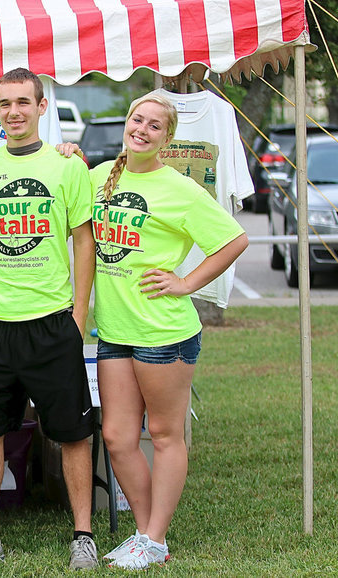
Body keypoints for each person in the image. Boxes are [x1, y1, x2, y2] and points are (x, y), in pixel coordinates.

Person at [89, 94, 248, 569]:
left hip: (165, 332)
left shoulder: (180, 188)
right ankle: (144, 534)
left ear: (167, 137)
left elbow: (233, 239)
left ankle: (156, 537)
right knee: (117, 436)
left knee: (162, 434)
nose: (142, 129)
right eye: (137, 119)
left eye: (154, 126)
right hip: (113, 330)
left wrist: (186, 283)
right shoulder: (100, 176)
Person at [0, 67, 98, 571]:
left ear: (41, 108)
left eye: (23, 102)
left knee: (73, 433)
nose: (13, 111)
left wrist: (79, 315)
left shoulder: (67, 168)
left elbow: (84, 242)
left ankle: (83, 535)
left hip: (51, 321)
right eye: (4, 103)